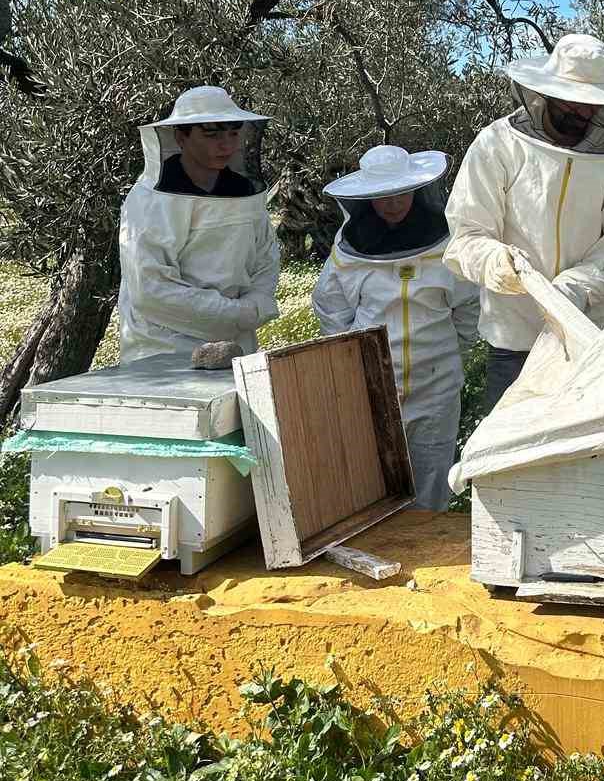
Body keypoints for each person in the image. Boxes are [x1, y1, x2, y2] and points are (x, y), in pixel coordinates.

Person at [444, 33, 604, 411]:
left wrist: (575, 287)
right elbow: (467, 233)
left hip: (598, 335)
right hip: (517, 337)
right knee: (512, 444)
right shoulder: (497, 145)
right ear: (546, 93)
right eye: (573, 102)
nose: (584, 113)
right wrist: (495, 262)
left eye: (593, 104)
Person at [312, 144, 480, 511]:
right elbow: (331, 306)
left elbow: (468, 305)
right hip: (370, 381)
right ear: (367, 197)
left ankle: (428, 540)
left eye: (401, 193)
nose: (392, 204)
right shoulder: (350, 247)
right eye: (382, 195)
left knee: (431, 471)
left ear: (416, 189)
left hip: (435, 382)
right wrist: (351, 359)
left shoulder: (446, 242)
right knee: (370, 476)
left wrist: (453, 354)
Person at [117, 86, 280, 364]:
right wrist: (239, 313)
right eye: (211, 134)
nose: (226, 145)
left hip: (237, 345)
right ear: (181, 136)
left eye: (233, 133)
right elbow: (151, 289)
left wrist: (253, 305)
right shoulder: (149, 201)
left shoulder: (244, 191)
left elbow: (266, 257)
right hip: (163, 350)